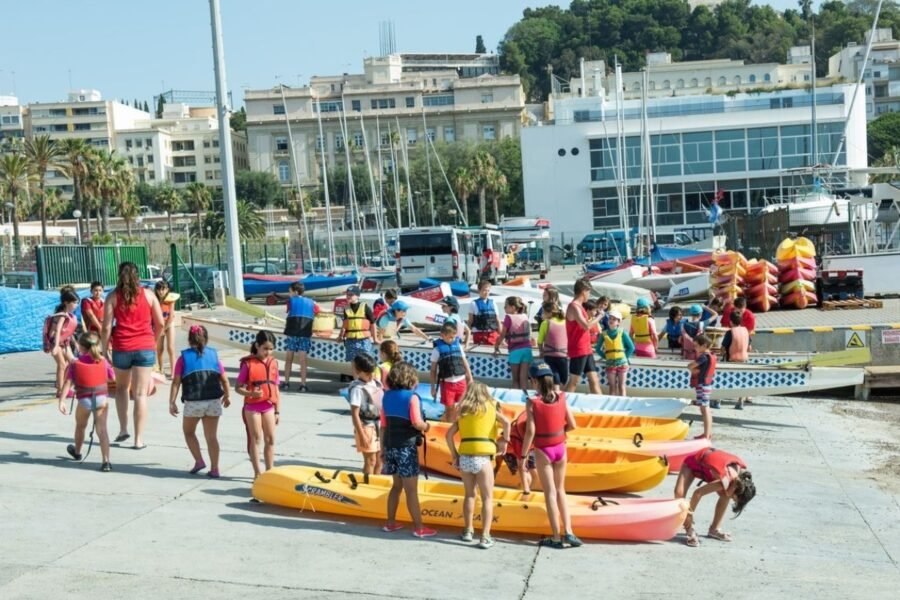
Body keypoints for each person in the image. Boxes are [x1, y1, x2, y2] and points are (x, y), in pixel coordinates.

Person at [102, 262, 165, 450]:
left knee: (121, 389)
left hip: (122, 346)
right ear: (138, 275)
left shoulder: (112, 296)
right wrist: (152, 341)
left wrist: (105, 349)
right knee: (140, 394)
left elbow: (106, 326)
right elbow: (160, 323)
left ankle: (123, 429)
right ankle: (138, 439)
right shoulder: (149, 295)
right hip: (145, 346)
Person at [520, 363, 581, 548]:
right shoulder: (561, 397)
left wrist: (523, 456)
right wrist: (558, 432)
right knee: (561, 490)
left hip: (543, 450)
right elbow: (573, 425)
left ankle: (555, 537)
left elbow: (530, 431)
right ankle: (569, 532)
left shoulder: (532, 402)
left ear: (534, 381)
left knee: (550, 493)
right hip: (560, 448)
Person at [445, 382, 511, 549]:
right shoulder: (492, 407)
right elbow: (507, 423)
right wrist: (504, 441)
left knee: (469, 495)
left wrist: (455, 455)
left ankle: (468, 531)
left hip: (465, 457)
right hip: (483, 458)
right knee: (487, 498)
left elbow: (448, 435)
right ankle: (485, 536)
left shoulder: (464, 411)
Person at [380, 362, 436, 538]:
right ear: (411, 378)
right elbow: (416, 423)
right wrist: (428, 427)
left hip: (390, 446)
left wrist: (382, 449)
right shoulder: (412, 398)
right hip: (406, 447)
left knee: (396, 487)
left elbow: (383, 425)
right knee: (411, 490)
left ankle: (390, 523)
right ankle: (419, 527)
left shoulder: (386, 396)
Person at [168, 324, 231, 478]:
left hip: (194, 402)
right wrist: (227, 396)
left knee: (189, 432)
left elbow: (176, 382)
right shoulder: (214, 356)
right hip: (214, 401)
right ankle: (215, 468)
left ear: (189, 339)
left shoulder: (183, 358)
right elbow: (225, 380)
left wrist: (172, 401)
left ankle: (199, 461)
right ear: (206, 338)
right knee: (211, 437)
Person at [675, 448, 756, 547]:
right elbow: (698, 493)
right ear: (736, 489)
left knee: (726, 495)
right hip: (692, 464)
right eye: (734, 499)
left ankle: (714, 529)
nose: (732, 500)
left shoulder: (738, 480)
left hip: (708, 472)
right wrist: (689, 514)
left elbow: (729, 491)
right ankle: (689, 530)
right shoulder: (727, 480)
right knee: (679, 495)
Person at [57, 332, 114, 472]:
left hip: (84, 399)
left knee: (81, 426)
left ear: (81, 347)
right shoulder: (103, 361)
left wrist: (62, 401)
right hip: (101, 399)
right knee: (102, 430)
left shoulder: (76, 364)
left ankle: (77, 451)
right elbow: (112, 378)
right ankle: (106, 462)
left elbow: (68, 383)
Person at [236, 330, 280, 479]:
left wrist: (277, 411)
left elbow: (276, 387)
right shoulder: (248, 364)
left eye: (271, 348)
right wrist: (251, 394)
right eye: (265, 348)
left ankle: (270, 471)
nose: (268, 352)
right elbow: (238, 387)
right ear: (257, 346)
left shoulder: (273, 363)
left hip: (268, 405)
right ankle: (257, 473)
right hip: (252, 407)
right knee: (256, 439)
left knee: (271, 439)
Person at [347, 353, 384, 475]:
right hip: (366, 426)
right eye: (367, 373)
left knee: (380, 460)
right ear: (358, 371)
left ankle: (376, 483)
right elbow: (355, 413)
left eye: (372, 372)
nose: (371, 376)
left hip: (379, 424)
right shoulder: (358, 389)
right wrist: (361, 434)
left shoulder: (376, 383)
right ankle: (367, 483)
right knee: (370, 460)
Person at [565, 280, 603, 394]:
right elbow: (586, 326)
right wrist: (600, 316)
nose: (589, 295)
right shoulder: (574, 307)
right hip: (578, 349)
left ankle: (601, 407)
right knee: (573, 382)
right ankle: (562, 406)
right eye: (589, 292)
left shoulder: (580, 306)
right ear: (583, 291)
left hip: (586, 349)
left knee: (594, 380)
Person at [431, 322, 473, 423]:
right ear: (442, 335)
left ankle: (460, 427)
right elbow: (433, 370)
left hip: (461, 382)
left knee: (462, 407)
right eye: (450, 337)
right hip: (447, 384)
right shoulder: (437, 350)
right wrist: (432, 387)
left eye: (454, 337)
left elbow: (465, 362)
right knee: (449, 409)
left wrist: (470, 378)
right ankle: (448, 427)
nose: (453, 339)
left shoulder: (458, 346)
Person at [282, 282, 319, 392]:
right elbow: (317, 311)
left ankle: (286, 383)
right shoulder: (312, 302)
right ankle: (303, 385)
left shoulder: (290, 301)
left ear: (296, 292)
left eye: (290, 291)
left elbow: (289, 310)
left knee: (289, 359)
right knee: (303, 360)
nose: (289, 294)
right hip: (305, 334)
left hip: (292, 334)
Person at [337, 286, 378, 380]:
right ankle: (356, 382)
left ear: (357, 296)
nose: (348, 296)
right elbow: (345, 325)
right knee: (354, 363)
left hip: (364, 340)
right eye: (347, 295)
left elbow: (373, 323)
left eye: (351, 295)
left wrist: (375, 339)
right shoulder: (346, 309)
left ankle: (371, 382)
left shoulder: (365, 307)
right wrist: (340, 336)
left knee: (368, 362)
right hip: (351, 340)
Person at [494, 296, 533, 391]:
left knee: (515, 380)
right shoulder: (525, 316)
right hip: (527, 350)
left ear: (513, 308)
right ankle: (525, 399)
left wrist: (496, 345)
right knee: (523, 379)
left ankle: (516, 400)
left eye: (506, 306)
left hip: (515, 351)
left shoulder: (508, 317)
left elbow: (503, 334)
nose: (504, 308)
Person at [46, 290, 79, 396]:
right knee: (62, 365)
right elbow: (58, 330)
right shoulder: (62, 315)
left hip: (65, 342)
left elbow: (68, 331)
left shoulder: (69, 315)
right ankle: (60, 391)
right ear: (66, 303)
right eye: (74, 302)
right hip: (56, 342)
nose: (76, 305)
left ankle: (67, 385)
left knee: (73, 363)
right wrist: (55, 346)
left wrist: (76, 343)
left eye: (77, 302)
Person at [599, 310, 635, 397]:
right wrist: (606, 357)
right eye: (610, 319)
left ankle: (623, 405)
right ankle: (613, 406)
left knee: (621, 386)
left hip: (622, 363)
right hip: (610, 363)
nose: (611, 320)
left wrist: (624, 357)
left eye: (614, 319)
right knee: (612, 387)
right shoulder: (603, 334)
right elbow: (597, 349)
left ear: (618, 322)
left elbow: (631, 347)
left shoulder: (622, 333)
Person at [688, 334, 718, 437]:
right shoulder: (710, 356)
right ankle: (707, 433)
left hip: (703, 385)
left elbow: (690, 366)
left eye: (696, 346)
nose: (694, 348)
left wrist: (691, 368)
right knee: (704, 409)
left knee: (705, 409)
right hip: (706, 385)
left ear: (704, 345)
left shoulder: (704, 357)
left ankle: (707, 435)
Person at [721, 311, 751, 410]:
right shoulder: (746, 331)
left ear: (730, 322)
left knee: (725, 379)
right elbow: (749, 348)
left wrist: (722, 353)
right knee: (742, 380)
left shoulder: (730, 332)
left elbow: (723, 348)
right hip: (744, 359)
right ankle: (740, 401)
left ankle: (717, 400)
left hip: (732, 359)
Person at [502, 411, 536, 495]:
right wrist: (526, 489)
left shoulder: (535, 434)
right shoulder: (517, 438)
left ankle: (525, 490)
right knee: (527, 477)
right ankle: (524, 490)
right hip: (511, 452)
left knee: (535, 476)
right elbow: (521, 466)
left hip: (527, 448)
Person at [537, 300, 568, 388]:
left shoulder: (545, 323)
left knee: (554, 376)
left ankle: (556, 393)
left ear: (549, 313)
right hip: (563, 355)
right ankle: (560, 394)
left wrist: (541, 351)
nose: (542, 314)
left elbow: (540, 341)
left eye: (543, 312)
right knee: (564, 379)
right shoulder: (565, 322)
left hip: (549, 355)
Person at [154, 280, 177, 377]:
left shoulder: (170, 299)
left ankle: (173, 372)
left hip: (169, 324)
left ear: (167, 289)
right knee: (159, 349)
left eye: (163, 289)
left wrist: (164, 329)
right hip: (159, 325)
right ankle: (161, 368)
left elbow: (171, 316)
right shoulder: (154, 299)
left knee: (170, 348)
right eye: (159, 289)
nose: (161, 291)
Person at [468, 279, 501, 346]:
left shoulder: (493, 303)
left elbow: (498, 320)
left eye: (488, 291)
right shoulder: (473, 303)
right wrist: (467, 337)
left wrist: (501, 336)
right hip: (479, 334)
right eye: (484, 290)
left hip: (492, 334)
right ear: (479, 290)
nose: (486, 292)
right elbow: (470, 321)